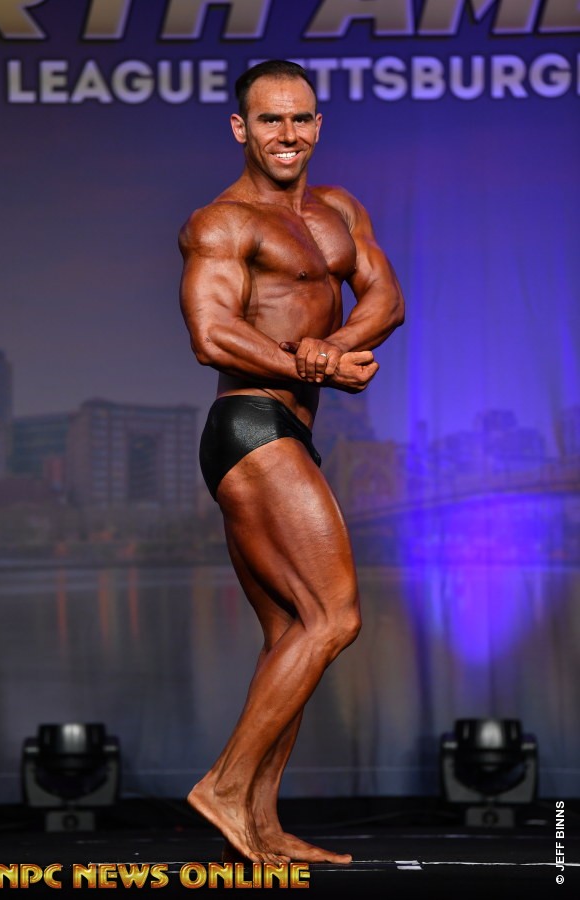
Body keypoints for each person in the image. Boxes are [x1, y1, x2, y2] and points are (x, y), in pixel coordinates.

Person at [179, 60, 404, 865]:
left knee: (289, 635)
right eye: (270, 119)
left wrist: (330, 350)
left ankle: (262, 823)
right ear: (240, 128)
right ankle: (224, 787)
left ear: (318, 124)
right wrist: (308, 366)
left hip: (290, 431)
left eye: (301, 118)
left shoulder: (339, 210)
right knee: (334, 617)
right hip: (249, 426)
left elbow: (386, 300)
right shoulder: (222, 222)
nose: (288, 134)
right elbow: (211, 334)